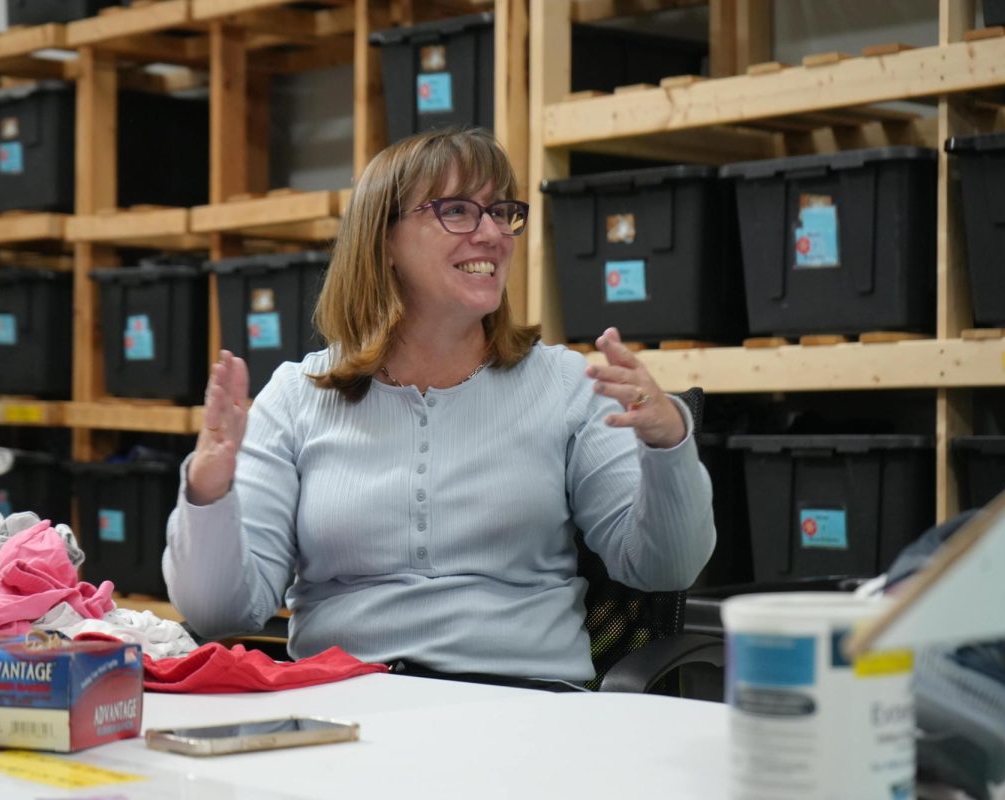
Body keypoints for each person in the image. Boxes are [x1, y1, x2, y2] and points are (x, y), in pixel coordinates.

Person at [163, 127, 715, 687]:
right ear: (384, 240)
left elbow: (664, 568)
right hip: (350, 707)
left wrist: (668, 446)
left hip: (526, 708)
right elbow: (221, 614)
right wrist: (209, 491)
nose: (492, 234)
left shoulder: (568, 384)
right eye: (457, 210)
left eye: (502, 212)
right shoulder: (298, 395)